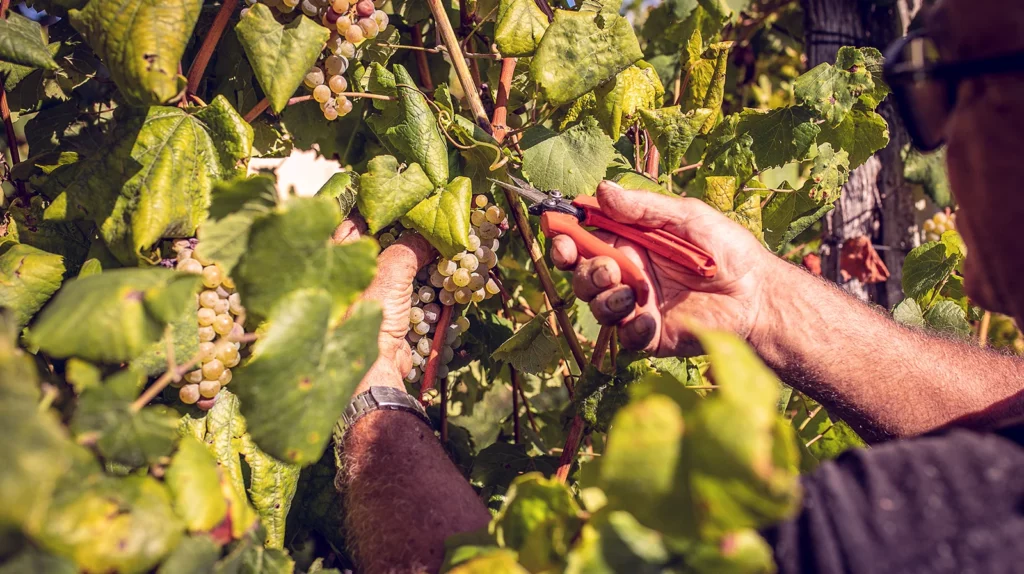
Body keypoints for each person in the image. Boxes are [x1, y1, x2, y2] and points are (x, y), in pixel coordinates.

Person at [333, 0, 1024, 571]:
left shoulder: (920, 540)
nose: (936, 141)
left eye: (941, 80)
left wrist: (369, 397)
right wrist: (761, 301)